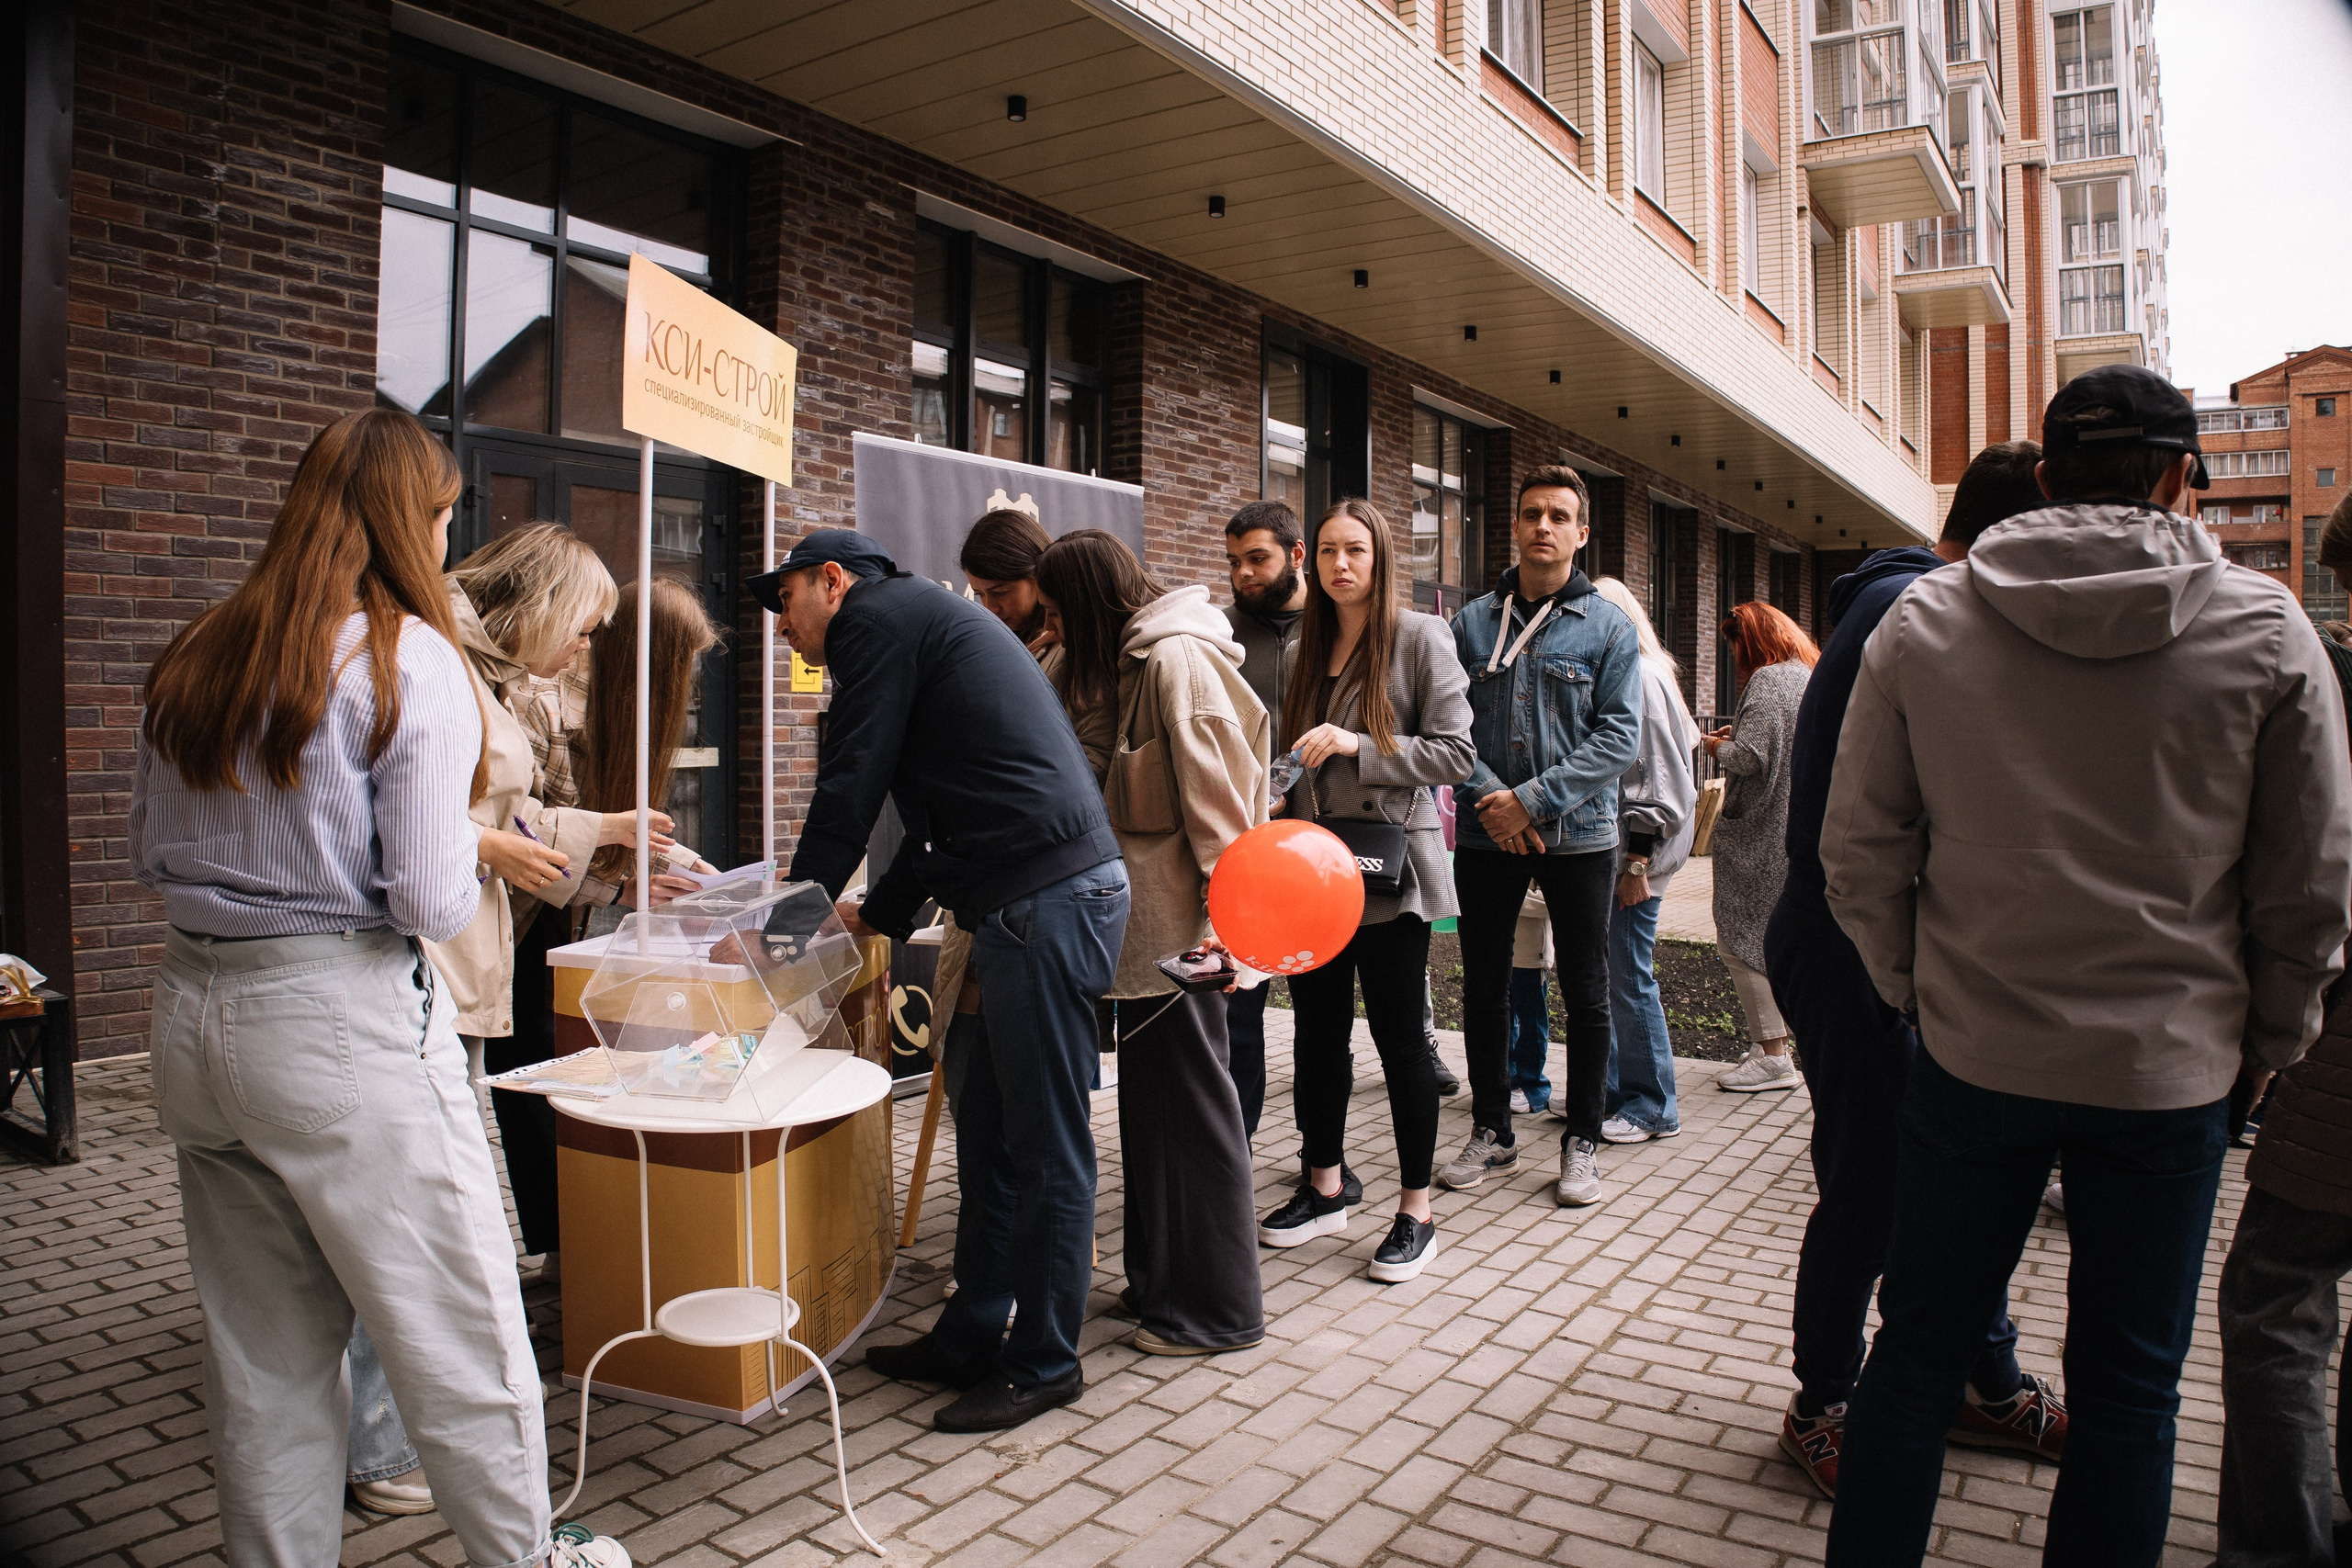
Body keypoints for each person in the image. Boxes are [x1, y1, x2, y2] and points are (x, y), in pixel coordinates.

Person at [1821, 366, 2352, 1567]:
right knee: (2129, 1391)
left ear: (2048, 475)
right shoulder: (2269, 631)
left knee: (1914, 1356)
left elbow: (1858, 851)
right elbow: (2310, 884)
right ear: (2181, 477)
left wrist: (1917, 991)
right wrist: (2270, 1042)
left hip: (1974, 1052)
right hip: (2169, 1070)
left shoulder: (1927, 621)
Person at [126, 409, 628, 1568]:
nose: (449, 532)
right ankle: (526, 1556)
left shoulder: (200, 648)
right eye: (446, 514)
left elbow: (148, 850)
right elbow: (430, 900)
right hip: (339, 1016)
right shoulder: (408, 660)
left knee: (264, 1359)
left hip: (191, 1012)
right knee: (463, 1329)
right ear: (415, 520)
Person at [748, 529, 1128, 1434]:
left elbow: (850, 786)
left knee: (1044, 1147)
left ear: (832, 581)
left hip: (1045, 902)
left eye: (785, 600)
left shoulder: (874, 620)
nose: (780, 625)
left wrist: (782, 936)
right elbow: (932, 819)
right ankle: (970, 1334)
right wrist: (869, 916)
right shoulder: (916, 622)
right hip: (1020, 900)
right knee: (988, 1131)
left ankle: (1045, 1362)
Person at [1761, 442, 2058, 1498]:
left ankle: (1983, 1380)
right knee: (1870, 1187)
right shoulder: (1915, 609)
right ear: (2024, 528)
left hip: (1882, 939)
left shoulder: (1913, 597)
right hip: (1852, 942)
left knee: (1953, 1181)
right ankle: (1822, 1403)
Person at [341, 524, 653, 1517]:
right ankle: (383, 1444)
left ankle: (371, 1437)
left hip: (447, 969)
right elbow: (433, 826)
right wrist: (495, 848)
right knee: (412, 1221)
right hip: (422, 970)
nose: (587, 651)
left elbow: (498, 817)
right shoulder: (433, 659)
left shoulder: (474, 664)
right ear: (544, 603)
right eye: (585, 628)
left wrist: (600, 833)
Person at [1035, 529, 1268, 1356]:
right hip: (1146, 946)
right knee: (1154, 1120)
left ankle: (1217, 1312)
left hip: (1187, 945)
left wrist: (1226, 935)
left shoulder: (1175, 661)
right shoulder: (1125, 661)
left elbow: (1225, 816)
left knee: (1193, 1120)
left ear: (1091, 603)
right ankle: (1161, 1286)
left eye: (1057, 613)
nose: (1050, 629)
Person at [1257, 499, 1474, 1283]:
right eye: (1326, 551)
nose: (1340, 564)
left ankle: (1417, 1211)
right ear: (1309, 561)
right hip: (1313, 869)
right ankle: (1324, 1186)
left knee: (1399, 1040)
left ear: (1380, 557)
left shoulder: (1419, 637)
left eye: (1355, 550)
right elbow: (1292, 756)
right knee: (1316, 1034)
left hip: (1390, 870)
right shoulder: (1301, 650)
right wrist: (1271, 797)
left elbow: (1455, 754)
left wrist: (1359, 744)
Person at [1441, 465, 1642, 1208]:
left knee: (1586, 989)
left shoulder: (1609, 627)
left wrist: (1529, 802)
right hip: (1486, 834)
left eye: (1559, 516)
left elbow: (1619, 737)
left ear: (1582, 533)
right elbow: (1447, 727)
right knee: (1485, 985)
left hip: (1579, 835)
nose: (1543, 526)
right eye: (1532, 514)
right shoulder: (1471, 624)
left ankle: (1581, 1139)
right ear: (1516, 526)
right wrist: (1494, 802)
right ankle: (1492, 1128)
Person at [2214, 487, 2352, 1568]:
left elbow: (2311, 888)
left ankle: (2277, 1550)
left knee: (2274, 1305)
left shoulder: (2332, 690)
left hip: (2339, 1058)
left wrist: (2271, 1040)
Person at [1587, 576, 1699, 1146]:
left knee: (1629, 977)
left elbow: (1660, 784)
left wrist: (1636, 865)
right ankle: (1612, 1093)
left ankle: (1653, 1106)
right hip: (1629, 854)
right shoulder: (1645, 673)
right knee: (1615, 976)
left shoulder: (1642, 677)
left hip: (1637, 859)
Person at [1702, 602, 1815, 1092]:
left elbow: (1749, 759)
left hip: (1760, 832)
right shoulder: (1806, 675)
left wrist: (1714, 747)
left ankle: (1772, 1054)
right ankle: (1769, 1045)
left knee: (1738, 939)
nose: (1735, 657)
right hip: (1793, 825)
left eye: (1736, 645)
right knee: (1773, 935)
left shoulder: (1769, 680)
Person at [1506, 893, 1554, 1115]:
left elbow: (1547, 901)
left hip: (1531, 954)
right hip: (1502, 951)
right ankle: (1508, 1079)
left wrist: (1501, 897)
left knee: (1532, 1021)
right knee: (1504, 1020)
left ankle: (1533, 1087)